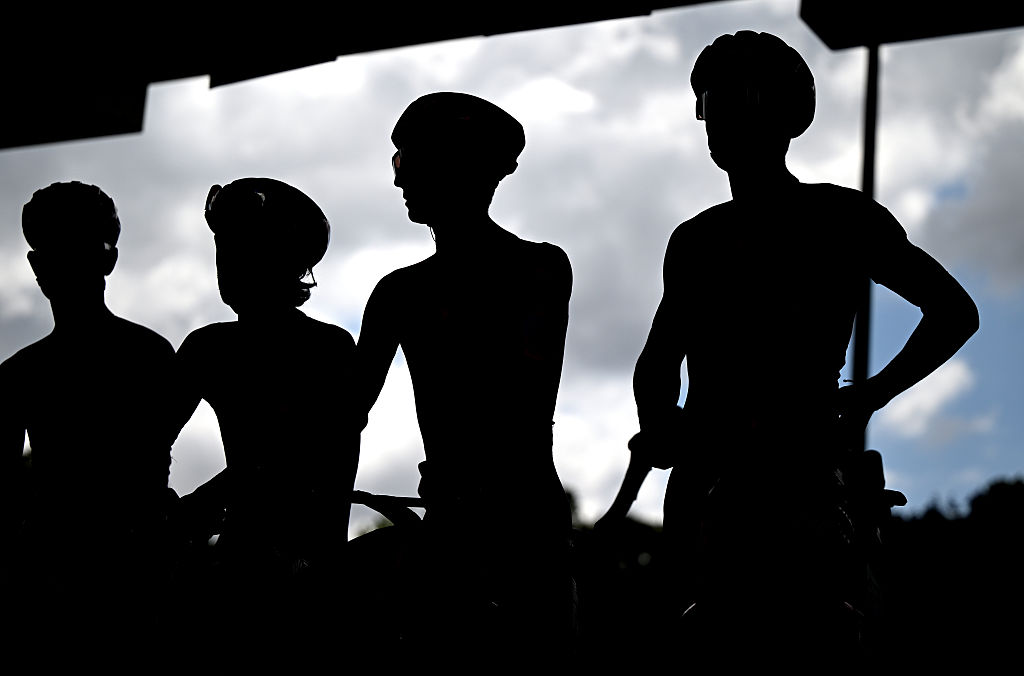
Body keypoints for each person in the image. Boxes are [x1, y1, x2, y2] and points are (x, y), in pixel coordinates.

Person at [598, 31, 979, 667]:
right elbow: (656, 363)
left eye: (727, 98)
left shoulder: (840, 219)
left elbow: (953, 312)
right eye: (706, 103)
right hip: (708, 498)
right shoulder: (696, 241)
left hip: (797, 491)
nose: (714, 119)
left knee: (804, 650)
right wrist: (661, 422)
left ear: (779, 110)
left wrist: (865, 397)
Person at [355, 92, 576, 666]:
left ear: (456, 166)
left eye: (408, 163)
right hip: (482, 523)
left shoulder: (538, 270)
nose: (400, 182)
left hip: (508, 530)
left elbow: (520, 399)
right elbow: (343, 413)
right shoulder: (402, 292)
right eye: (397, 164)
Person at [167, 178, 359, 659]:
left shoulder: (327, 350)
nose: (224, 263)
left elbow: (314, 462)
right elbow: (143, 445)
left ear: (282, 258)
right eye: (221, 248)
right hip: (254, 565)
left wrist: (195, 506)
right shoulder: (207, 349)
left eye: (239, 247)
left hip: (298, 575)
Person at [0, 181, 176, 659]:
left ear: (108, 259)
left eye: (78, 248)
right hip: (77, 577)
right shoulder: (147, 354)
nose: (63, 265)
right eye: (53, 251)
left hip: (119, 575)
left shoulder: (148, 356)